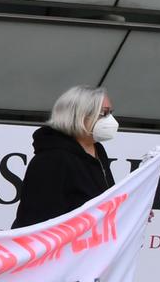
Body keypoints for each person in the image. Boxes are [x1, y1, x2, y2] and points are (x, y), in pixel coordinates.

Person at [13, 85, 118, 228]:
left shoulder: (97, 150)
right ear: (80, 115)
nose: (110, 120)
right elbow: (38, 220)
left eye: (111, 113)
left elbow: (104, 200)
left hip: (92, 243)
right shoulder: (51, 159)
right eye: (104, 114)